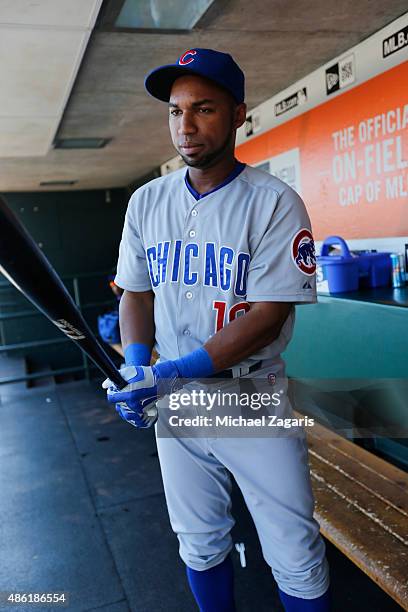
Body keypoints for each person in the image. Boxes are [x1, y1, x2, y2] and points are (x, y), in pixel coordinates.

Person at [104, 48, 331, 611]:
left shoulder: (274, 203)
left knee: (295, 555)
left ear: (238, 115)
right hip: (176, 405)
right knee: (198, 541)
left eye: (203, 108)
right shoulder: (146, 200)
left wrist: (172, 371)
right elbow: (136, 290)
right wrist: (136, 361)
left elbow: (267, 316)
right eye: (176, 111)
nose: (185, 125)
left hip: (249, 399)